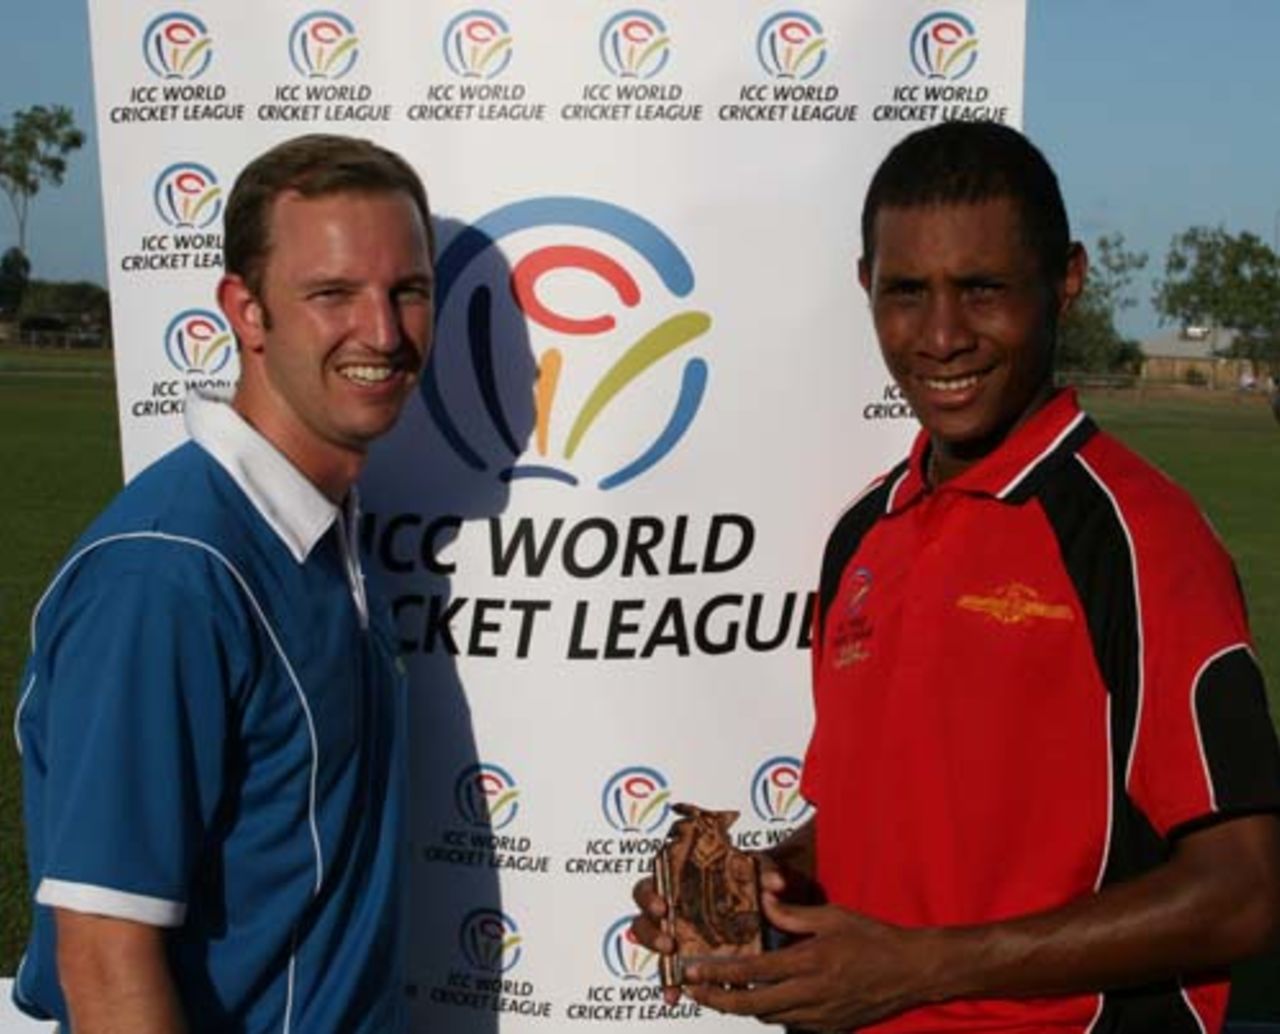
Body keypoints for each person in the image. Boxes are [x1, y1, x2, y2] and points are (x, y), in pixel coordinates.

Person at [633, 121, 1280, 1033]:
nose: (941, 337)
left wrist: (921, 969)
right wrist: (758, 888)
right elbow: (877, 830)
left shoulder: (1137, 538)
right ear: (866, 286)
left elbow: (1244, 890)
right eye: (906, 292)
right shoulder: (863, 533)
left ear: (1066, 280)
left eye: (982, 290)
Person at [13, 133, 435, 1033]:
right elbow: (104, 957)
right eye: (333, 294)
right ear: (246, 311)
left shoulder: (322, 527)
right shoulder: (167, 576)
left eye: (408, 290)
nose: (384, 332)